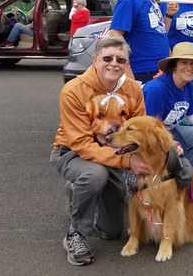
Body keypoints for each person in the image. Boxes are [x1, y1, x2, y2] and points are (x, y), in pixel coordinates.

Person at [49, 36, 148, 266]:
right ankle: (75, 233)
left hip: (113, 154)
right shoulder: (72, 91)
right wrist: (128, 162)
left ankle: (82, 193)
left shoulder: (134, 89)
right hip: (71, 153)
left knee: (111, 232)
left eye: (120, 59)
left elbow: (139, 131)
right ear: (95, 60)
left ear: (126, 64)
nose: (114, 63)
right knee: (94, 175)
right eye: (107, 58)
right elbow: (82, 144)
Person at [142, 42, 193, 168]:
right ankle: (169, 177)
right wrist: (173, 144)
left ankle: (185, 176)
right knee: (176, 152)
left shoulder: (187, 85)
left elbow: (191, 114)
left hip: (169, 129)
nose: (189, 67)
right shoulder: (156, 90)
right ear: (173, 66)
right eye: (184, 62)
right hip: (149, 134)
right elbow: (150, 127)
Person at [108, 0, 171, 84]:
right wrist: (127, 71)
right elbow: (115, 35)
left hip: (158, 69)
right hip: (142, 71)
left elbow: (159, 31)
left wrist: (170, 15)